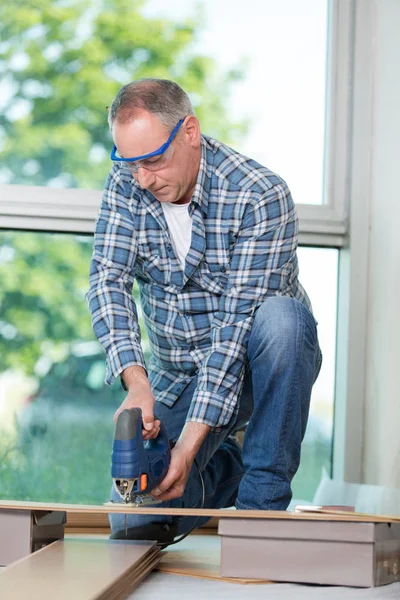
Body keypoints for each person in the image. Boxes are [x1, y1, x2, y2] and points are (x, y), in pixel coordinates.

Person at [87, 78, 322, 541]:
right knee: (136, 521)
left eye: (153, 160)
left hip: (260, 365)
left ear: (190, 132)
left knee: (283, 321)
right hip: (179, 373)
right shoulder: (127, 183)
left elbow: (235, 332)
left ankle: (260, 508)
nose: (143, 180)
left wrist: (191, 445)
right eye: (129, 163)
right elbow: (107, 280)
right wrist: (137, 385)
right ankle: (226, 472)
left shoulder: (260, 195)